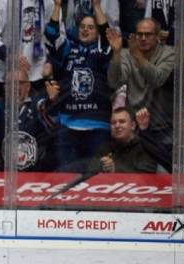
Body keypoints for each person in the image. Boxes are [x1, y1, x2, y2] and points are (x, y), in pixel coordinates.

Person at [45, 0, 113, 173]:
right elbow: (51, 35)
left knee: (95, 177)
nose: (85, 30)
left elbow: (107, 36)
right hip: (68, 126)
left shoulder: (101, 52)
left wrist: (97, 7)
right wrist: (58, 6)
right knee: (65, 176)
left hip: (98, 126)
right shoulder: (69, 48)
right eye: (82, 26)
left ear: (97, 32)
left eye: (90, 27)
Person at [106, 17, 174, 171]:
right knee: (137, 177)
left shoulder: (169, 54)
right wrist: (116, 54)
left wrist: (138, 56)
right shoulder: (126, 53)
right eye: (139, 34)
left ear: (157, 36)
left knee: (165, 176)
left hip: (163, 127)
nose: (143, 38)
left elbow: (157, 79)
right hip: (137, 130)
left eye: (148, 34)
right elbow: (114, 82)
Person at [0, 0, 57, 96]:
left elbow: (55, 36)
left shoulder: (48, 2)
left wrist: (50, 61)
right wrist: (9, 55)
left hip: (40, 75)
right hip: (7, 77)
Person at [87, 107, 156, 174]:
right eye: (113, 123)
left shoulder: (145, 149)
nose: (117, 126)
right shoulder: (104, 149)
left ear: (133, 125)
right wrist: (100, 167)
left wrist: (115, 171)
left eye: (122, 121)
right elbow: (89, 175)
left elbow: (146, 178)